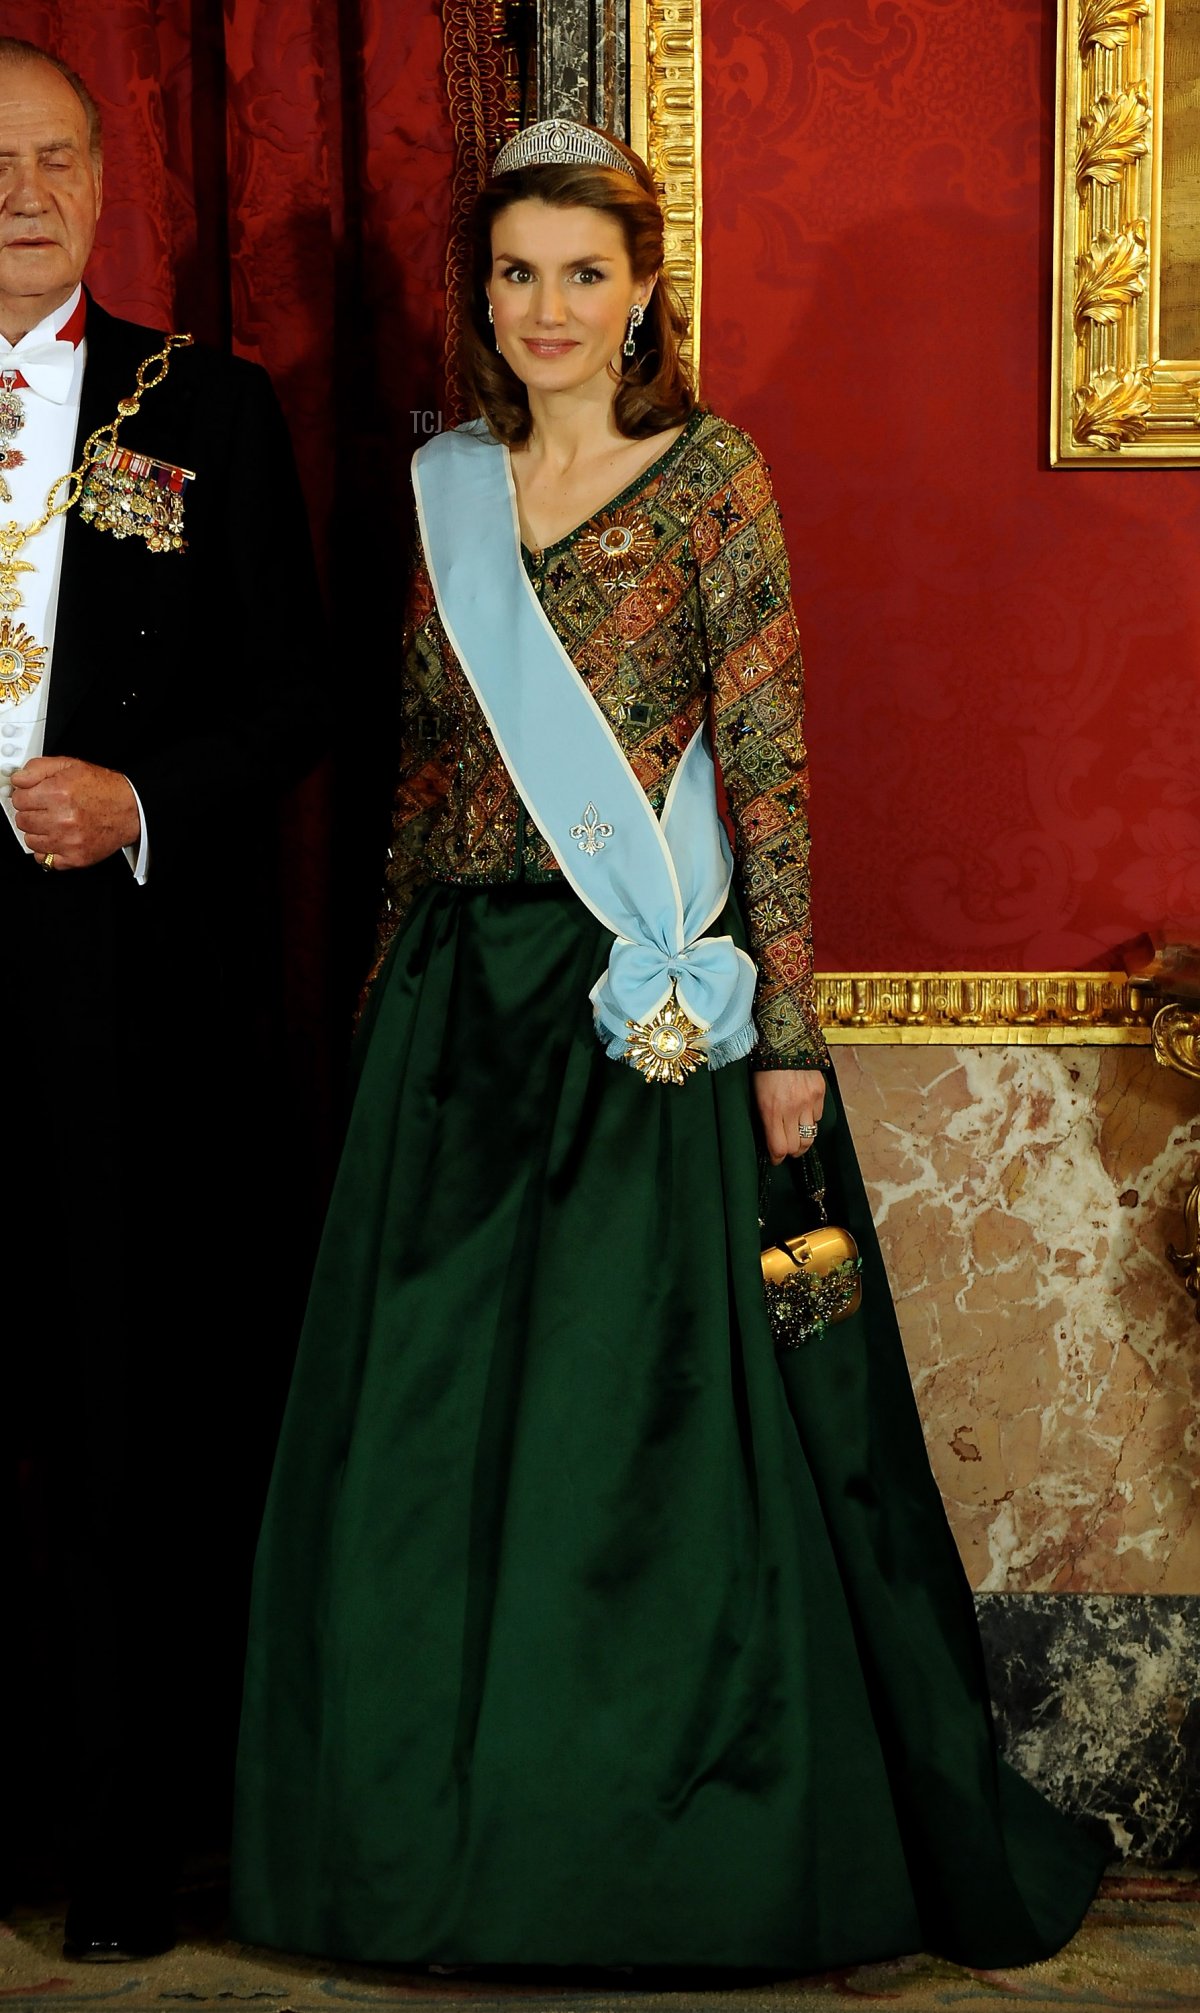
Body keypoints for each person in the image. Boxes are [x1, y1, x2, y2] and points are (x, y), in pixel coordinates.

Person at [231, 119, 1107, 1973]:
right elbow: (423, 778)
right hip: (460, 1018)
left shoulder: (714, 479)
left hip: (651, 1012)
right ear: (485, 295)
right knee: (432, 1440)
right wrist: (392, 989)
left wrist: (783, 1026)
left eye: (585, 273)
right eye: (518, 273)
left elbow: (771, 768)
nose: (549, 307)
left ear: (643, 294)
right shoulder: (443, 484)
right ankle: (424, 1845)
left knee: (640, 1440)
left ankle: (657, 1846)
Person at [0, 37, 324, 1961]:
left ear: (109, 186)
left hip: (113, 974)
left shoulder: (200, 403)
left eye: (53, 158)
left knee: (123, 1406)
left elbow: (291, 698)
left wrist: (138, 796)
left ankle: (129, 1838)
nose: (21, 191)